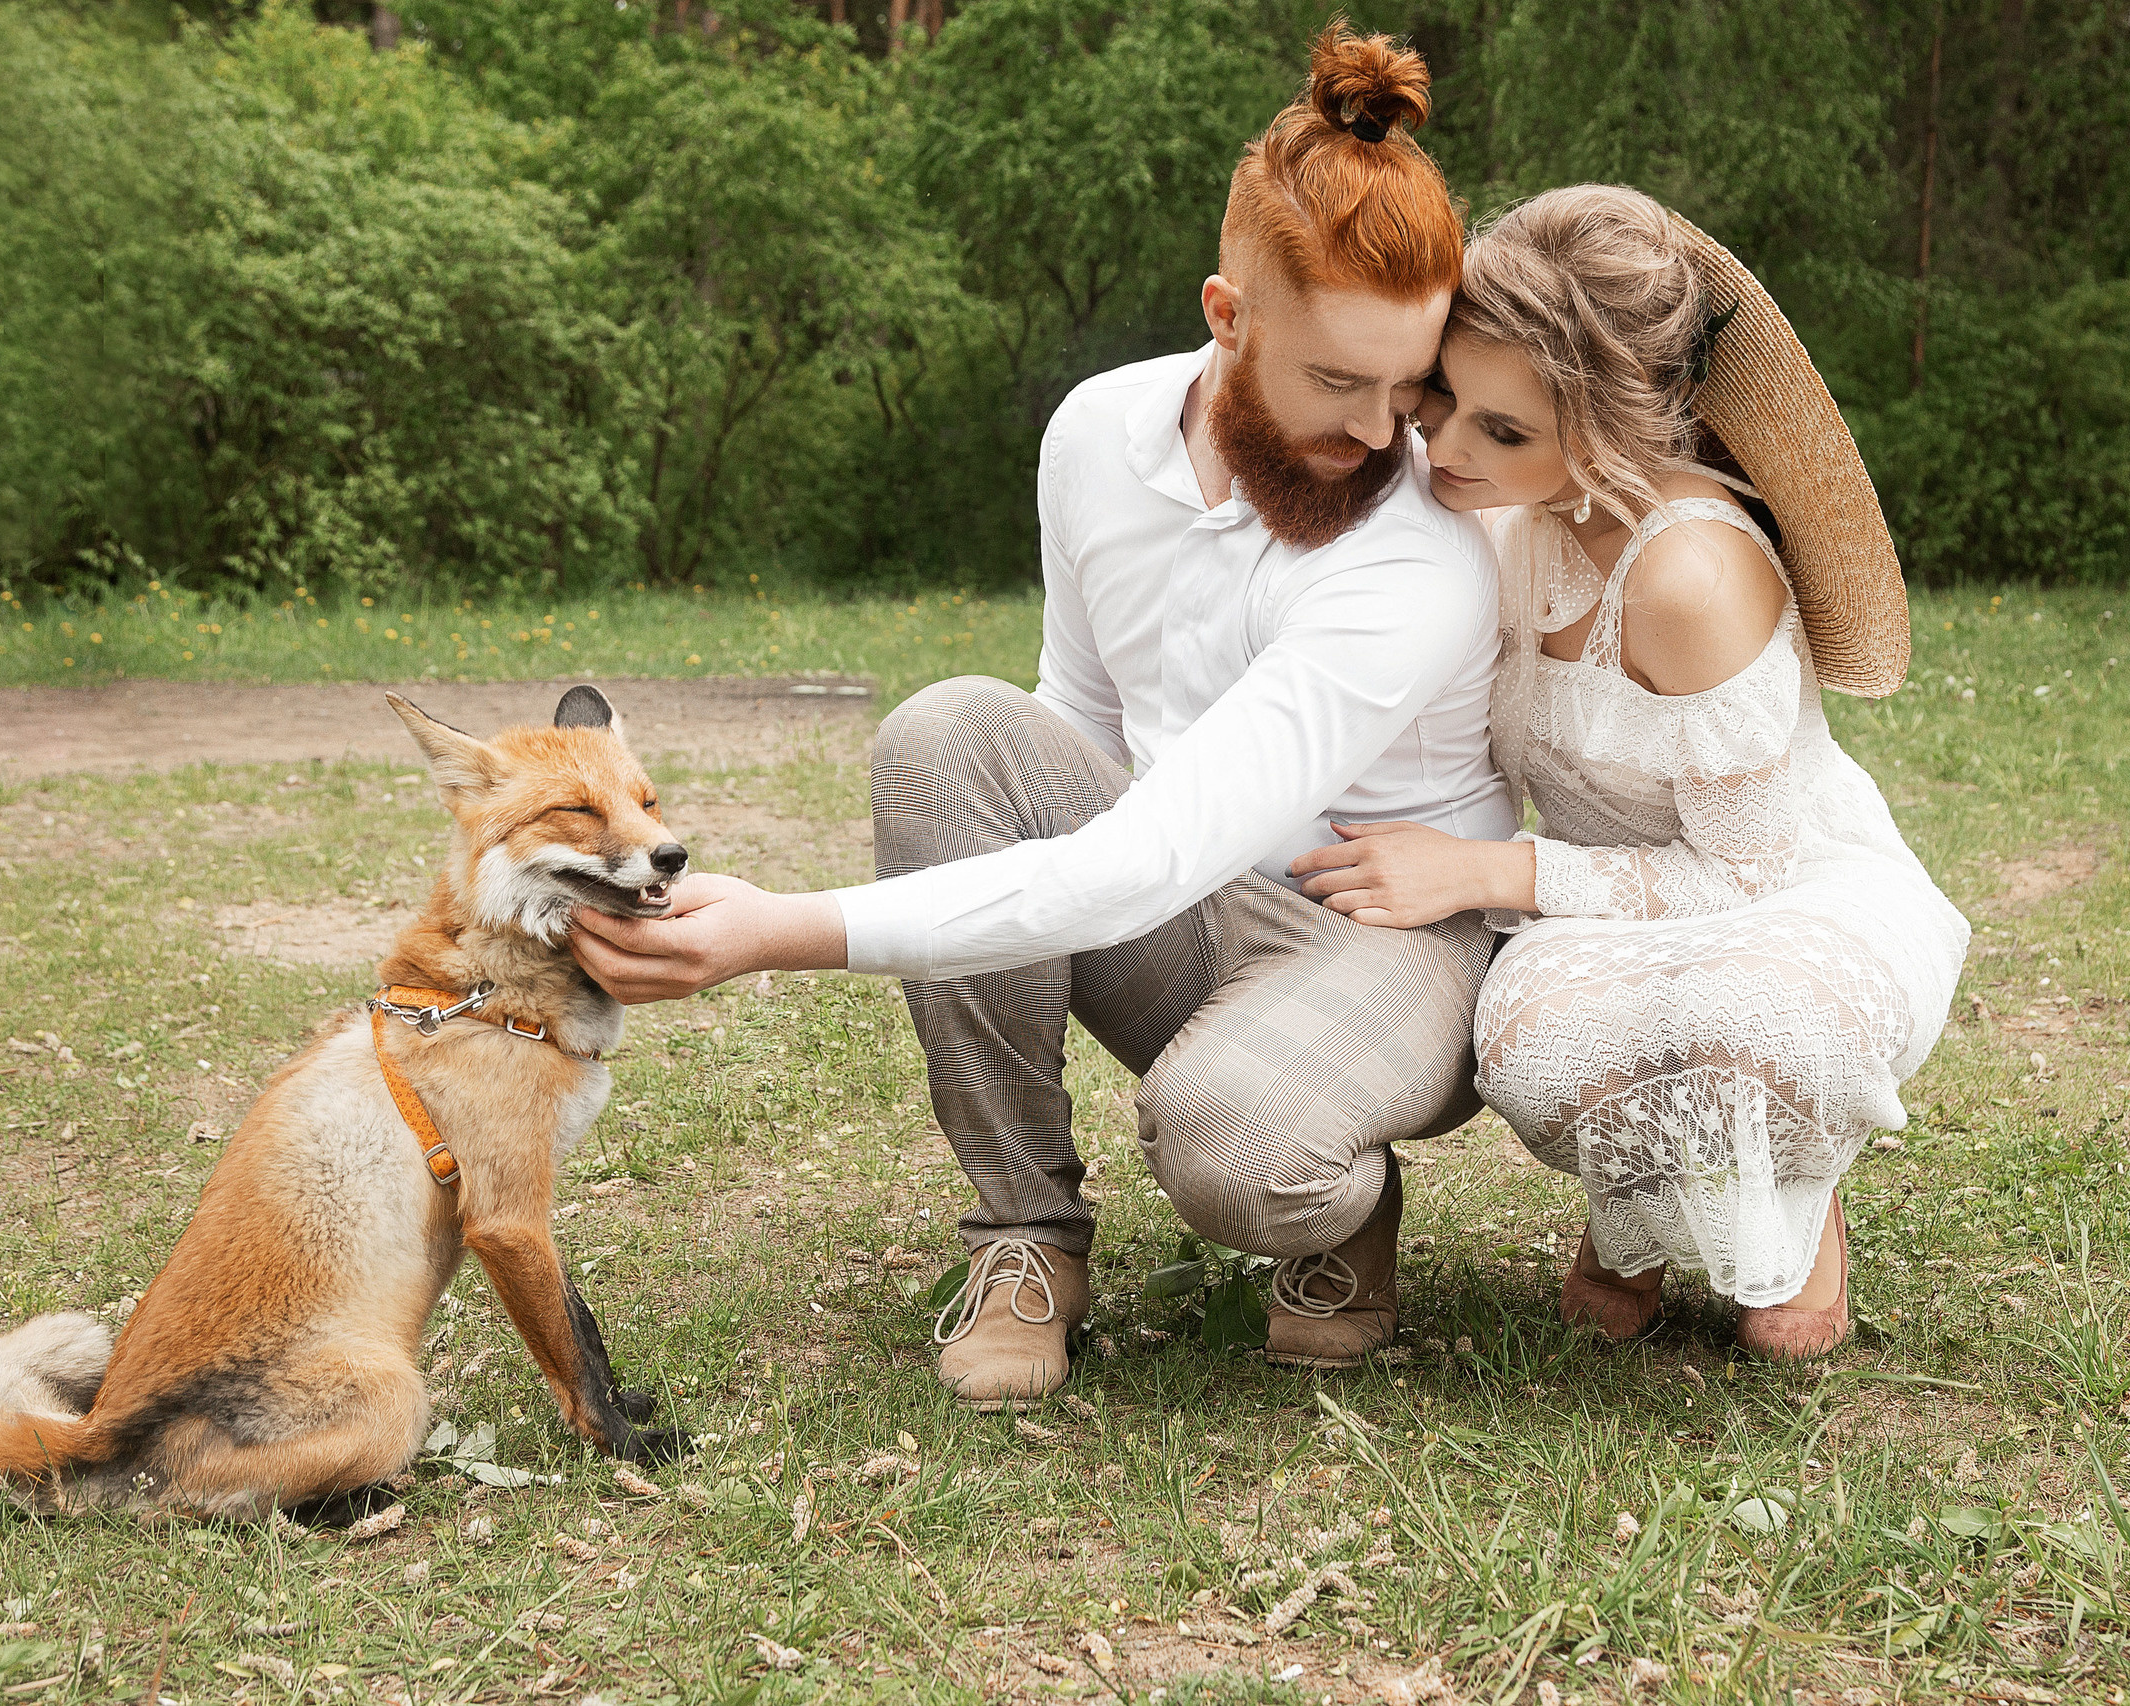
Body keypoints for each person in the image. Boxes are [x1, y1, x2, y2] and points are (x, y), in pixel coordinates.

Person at [569, 25, 1516, 1407]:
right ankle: (1026, 1231)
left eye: (1408, 384)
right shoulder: (1092, 435)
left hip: (1397, 936)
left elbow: (1144, 852)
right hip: (1189, 909)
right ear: (1227, 314)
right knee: (950, 730)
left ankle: (1333, 1192)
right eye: (1336, 382)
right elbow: (1075, 723)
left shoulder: (1415, 550)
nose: (1385, 435)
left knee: (1237, 1143)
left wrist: (779, 930)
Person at [1288, 185, 1969, 1360]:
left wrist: (1482, 868)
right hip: (1597, 897)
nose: (1441, 446)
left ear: (1610, 432)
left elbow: (1739, 876)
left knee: (1756, 1018)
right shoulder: (1502, 510)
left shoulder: (1689, 580)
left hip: (1775, 888)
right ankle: (1634, 1206)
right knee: (1533, 1041)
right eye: (1446, 394)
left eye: (1503, 430)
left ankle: (1798, 1204)